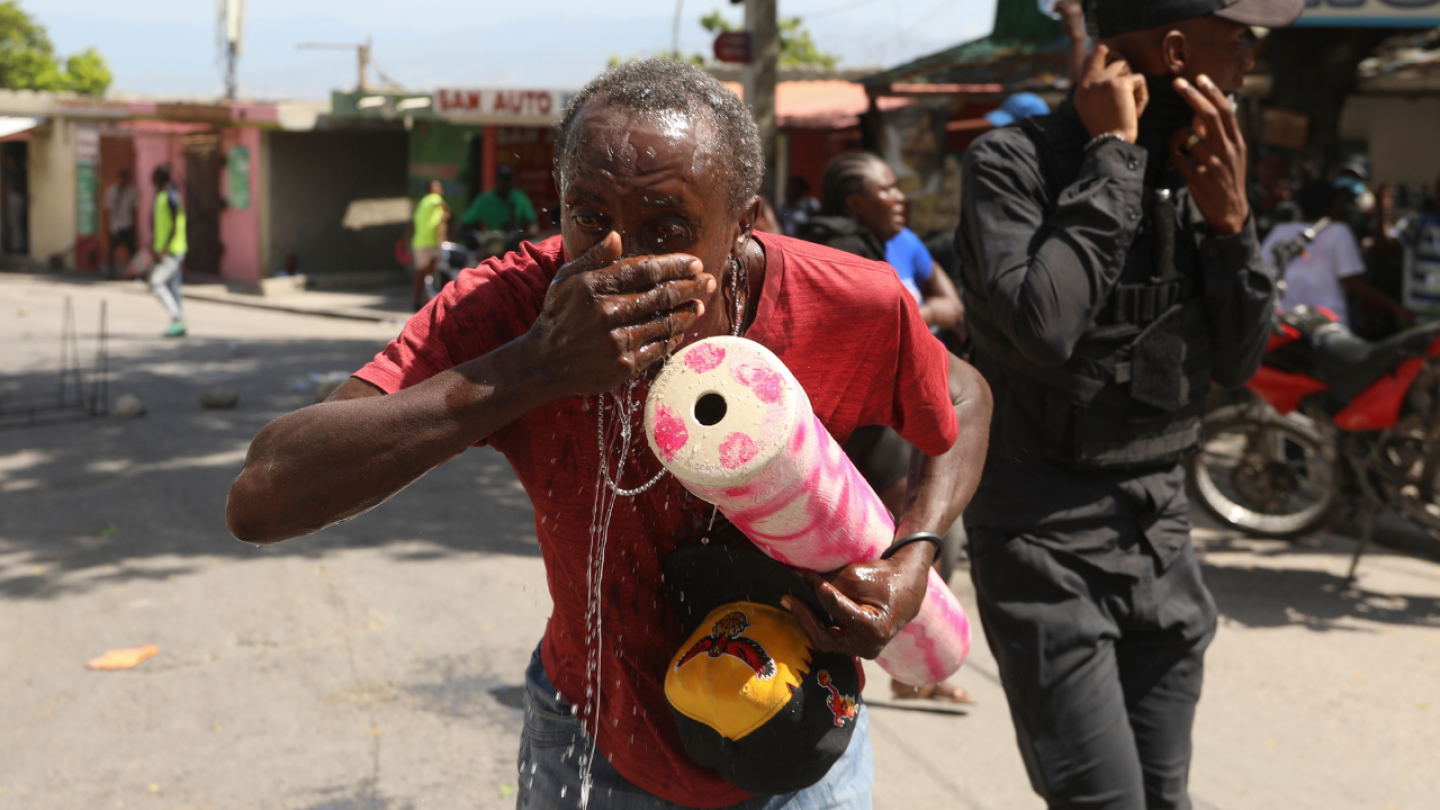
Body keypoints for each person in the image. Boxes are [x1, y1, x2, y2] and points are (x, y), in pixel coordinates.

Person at [226, 59, 992, 810]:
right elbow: (263, 498)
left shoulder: (845, 300)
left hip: (802, 731)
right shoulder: (519, 305)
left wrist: (916, 551)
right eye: (589, 218)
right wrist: (533, 366)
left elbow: (964, 391)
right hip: (592, 736)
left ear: (743, 224)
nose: (616, 260)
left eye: (667, 227)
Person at [955, 1, 1304, 808]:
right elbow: (1043, 326)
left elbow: (1242, 362)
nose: (1252, 57)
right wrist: (1115, 155)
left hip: (1161, 534)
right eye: (1242, 36)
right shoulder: (1012, 166)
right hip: (1046, 542)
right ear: (1177, 49)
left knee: (1163, 797)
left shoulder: (1199, 176)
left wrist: (1231, 225)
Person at [798, 151, 970, 706]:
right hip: (867, 434)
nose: (900, 199)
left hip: (895, 420)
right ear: (855, 202)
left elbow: (952, 305)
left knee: (922, 546)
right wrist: (915, 315)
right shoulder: (837, 252)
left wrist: (911, 315)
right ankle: (904, 667)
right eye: (888, 189)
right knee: (908, 548)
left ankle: (913, 668)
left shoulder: (902, 244)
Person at [1261, 180, 1411, 329]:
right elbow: (1353, 282)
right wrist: (1396, 308)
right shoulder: (1338, 231)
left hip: (1284, 324)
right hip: (1327, 327)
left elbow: (1262, 271)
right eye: (1339, 203)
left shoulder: (1280, 230)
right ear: (1330, 206)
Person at [149, 164, 188, 338]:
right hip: (168, 248)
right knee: (174, 288)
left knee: (156, 283)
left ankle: (177, 317)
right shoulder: (162, 195)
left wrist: (164, 248)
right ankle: (178, 324)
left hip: (172, 249)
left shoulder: (171, 195)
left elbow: (172, 224)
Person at [461, 165, 539, 242]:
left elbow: (532, 222)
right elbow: (464, 223)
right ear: (497, 181)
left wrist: (527, 234)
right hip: (492, 245)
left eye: (508, 180)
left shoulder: (520, 198)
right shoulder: (484, 200)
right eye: (502, 180)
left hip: (515, 246)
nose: (505, 184)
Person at [411, 180, 449, 311]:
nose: (438, 190)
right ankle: (427, 304)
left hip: (420, 242)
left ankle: (418, 301)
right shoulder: (434, 199)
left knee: (422, 274)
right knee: (429, 274)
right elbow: (444, 207)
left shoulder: (422, 203)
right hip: (429, 243)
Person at [104, 169, 138, 279]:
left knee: (132, 250)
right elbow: (107, 210)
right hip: (115, 226)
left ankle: (133, 273)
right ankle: (110, 273)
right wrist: (107, 226)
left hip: (127, 224)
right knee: (111, 250)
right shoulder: (112, 191)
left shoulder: (131, 192)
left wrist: (134, 227)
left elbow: (134, 210)